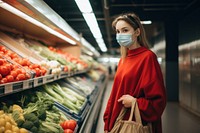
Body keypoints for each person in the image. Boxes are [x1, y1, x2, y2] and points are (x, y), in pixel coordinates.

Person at [103, 12, 167, 133]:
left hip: (133, 124)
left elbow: (158, 102)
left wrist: (135, 102)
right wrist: (107, 122)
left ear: (137, 32)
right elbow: (114, 94)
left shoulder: (148, 57)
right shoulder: (123, 60)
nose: (120, 35)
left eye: (125, 30)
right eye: (118, 31)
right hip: (117, 123)